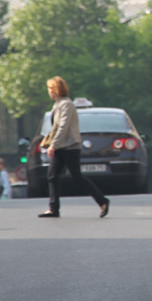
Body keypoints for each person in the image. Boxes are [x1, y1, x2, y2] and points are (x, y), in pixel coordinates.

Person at [38, 76, 109, 218]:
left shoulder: (67, 104)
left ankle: (102, 201)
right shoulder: (58, 104)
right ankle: (53, 208)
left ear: (55, 90)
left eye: (50, 89)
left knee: (76, 177)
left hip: (70, 146)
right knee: (52, 175)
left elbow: (63, 127)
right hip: (61, 146)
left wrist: (53, 145)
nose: (49, 92)